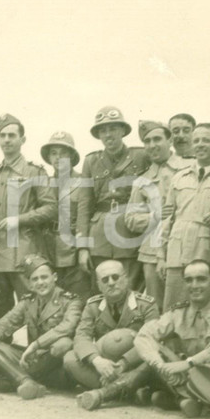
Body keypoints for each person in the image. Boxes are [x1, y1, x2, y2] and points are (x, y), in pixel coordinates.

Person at [134, 259, 210, 418]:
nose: (194, 285)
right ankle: (187, 400)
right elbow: (144, 335)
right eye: (189, 280)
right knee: (161, 347)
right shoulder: (177, 312)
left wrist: (188, 363)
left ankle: (180, 399)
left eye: (201, 279)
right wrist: (161, 366)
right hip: (193, 381)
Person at [0, 255, 83, 400]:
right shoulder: (28, 301)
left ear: (54, 277)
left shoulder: (71, 300)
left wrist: (36, 345)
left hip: (56, 365)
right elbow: (5, 322)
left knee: (64, 344)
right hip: (33, 359)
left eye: (44, 277)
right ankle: (26, 381)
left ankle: (14, 379)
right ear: (30, 284)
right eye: (35, 279)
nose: (40, 282)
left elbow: (68, 327)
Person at [0, 114, 57, 319]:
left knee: (35, 309)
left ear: (22, 140)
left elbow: (50, 208)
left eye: (12, 135)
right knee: (0, 313)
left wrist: (19, 219)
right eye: (2, 136)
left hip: (23, 255)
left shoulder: (34, 172)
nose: (7, 140)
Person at [65, 260, 159, 411]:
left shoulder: (146, 304)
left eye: (115, 277)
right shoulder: (92, 305)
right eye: (105, 279)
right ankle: (126, 391)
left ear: (126, 278)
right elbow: (81, 337)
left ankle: (111, 392)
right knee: (69, 358)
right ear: (98, 284)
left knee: (154, 359)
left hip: (134, 362)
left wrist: (124, 363)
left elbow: (153, 339)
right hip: (105, 365)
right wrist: (97, 361)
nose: (111, 283)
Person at [76, 106, 149, 293]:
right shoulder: (91, 161)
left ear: (123, 131)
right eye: (103, 130)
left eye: (113, 129)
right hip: (99, 238)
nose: (108, 134)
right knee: (102, 291)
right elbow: (84, 205)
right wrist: (83, 247)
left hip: (129, 233)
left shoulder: (140, 156)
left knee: (131, 289)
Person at [125, 120, 191, 309]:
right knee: (155, 307)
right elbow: (130, 219)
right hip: (152, 252)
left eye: (157, 139)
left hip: (185, 246)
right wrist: (156, 215)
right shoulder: (142, 181)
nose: (152, 145)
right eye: (147, 141)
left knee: (185, 306)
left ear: (169, 140)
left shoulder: (189, 167)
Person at [157, 123, 210, 310]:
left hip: (208, 250)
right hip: (176, 252)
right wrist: (161, 256)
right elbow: (167, 220)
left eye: (206, 140)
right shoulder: (179, 177)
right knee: (174, 308)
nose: (200, 144)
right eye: (196, 141)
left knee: (209, 307)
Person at [39, 131, 92, 301]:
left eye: (63, 153)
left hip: (73, 252)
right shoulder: (43, 183)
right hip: (48, 251)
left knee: (78, 300)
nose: (58, 157)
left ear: (72, 156)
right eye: (53, 153)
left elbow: (86, 216)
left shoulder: (83, 181)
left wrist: (83, 249)